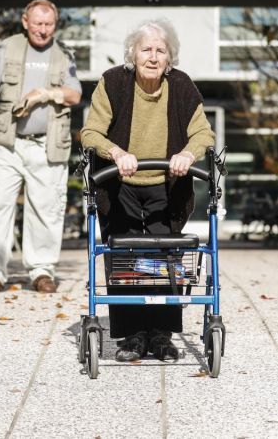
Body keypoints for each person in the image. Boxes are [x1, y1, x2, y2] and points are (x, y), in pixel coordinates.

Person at [80, 19, 215, 362]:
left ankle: (160, 335)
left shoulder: (182, 86)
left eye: (161, 50)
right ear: (133, 53)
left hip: (166, 186)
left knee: (162, 260)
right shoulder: (113, 82)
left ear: (170, 58)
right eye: (146, 49)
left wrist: (187, 154)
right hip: (119, 183)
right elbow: (91, 133)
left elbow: (203, 134)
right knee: (125, 259)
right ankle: (133, 335)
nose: (153, 57)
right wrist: (117, 153)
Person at [0, 0, 82, 294]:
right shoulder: (7, 48)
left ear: (54, 26)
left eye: (49, 25)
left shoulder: (64, 54)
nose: (43, 31)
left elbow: (75, 94)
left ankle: (42, 270)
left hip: (47, 146)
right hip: (7, 144)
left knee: (45, 210)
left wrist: (45, 93)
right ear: (25, 22)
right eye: (38, 24)